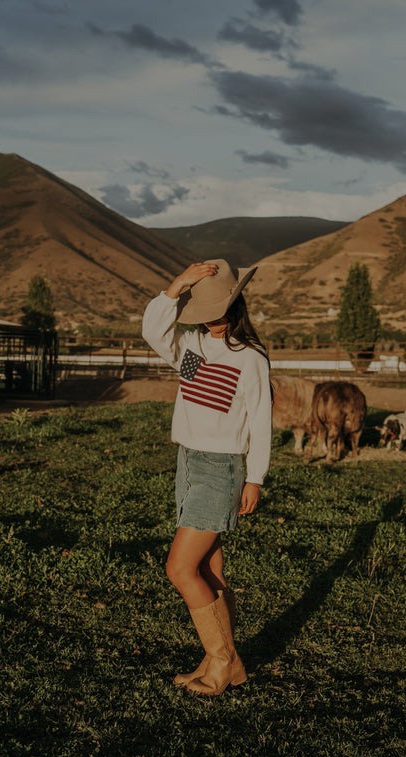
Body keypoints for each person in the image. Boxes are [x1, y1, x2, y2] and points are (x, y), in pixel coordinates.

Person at [142, 259, 272, 696]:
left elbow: (261, 422)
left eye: (219, 309)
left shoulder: (251, 360)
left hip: (222, 467)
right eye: (205, 310)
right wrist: (177, 285)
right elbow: (152, 332)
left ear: (236, 306)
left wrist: (255, 478)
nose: (212, 320)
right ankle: (223, 662)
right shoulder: (192, 345)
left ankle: (222, 660)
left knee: (179, 568)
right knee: (208, 566)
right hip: (189, 462)